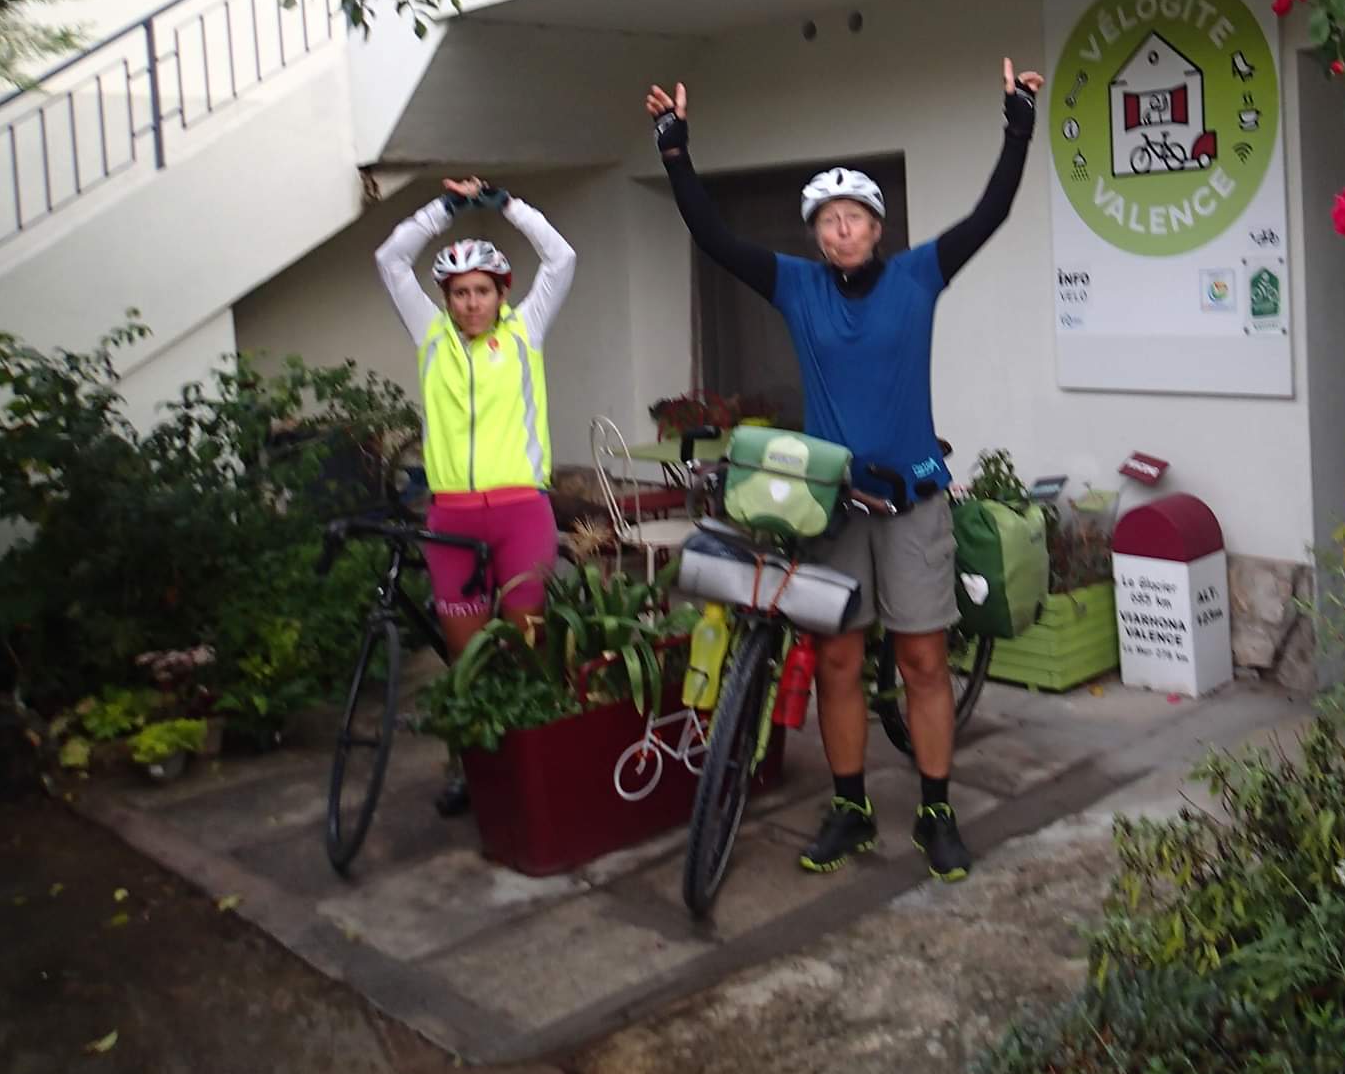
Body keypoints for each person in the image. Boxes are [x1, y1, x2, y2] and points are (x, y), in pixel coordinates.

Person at [647, 60, 1040, 881]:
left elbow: (992, 211)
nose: (840, 230)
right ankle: (851, 806)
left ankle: (936, 808)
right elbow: (713, 239)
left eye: (853, 216)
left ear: (877, 226)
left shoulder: (918, 276)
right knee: (837, 662)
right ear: (815, 234)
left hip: (913, 503)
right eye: (826, 220)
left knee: (925, 660)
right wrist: (675, 152)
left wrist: (1017, 122)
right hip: (829, 509)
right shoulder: (795, 287)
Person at [374, 177, 577, 811]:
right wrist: (447, 209)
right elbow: (389, 258)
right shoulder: (429, 336)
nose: (470, 304)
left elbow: (562, 257)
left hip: (520, 511)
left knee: (527, 646)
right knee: (464, 657)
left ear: (501, 293)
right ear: (445, 298)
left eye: (481, 291)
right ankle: (469, 765)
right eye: (459, 294)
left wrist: (504, 204)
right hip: (451, 519)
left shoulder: (525, 333)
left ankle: (538, 758)